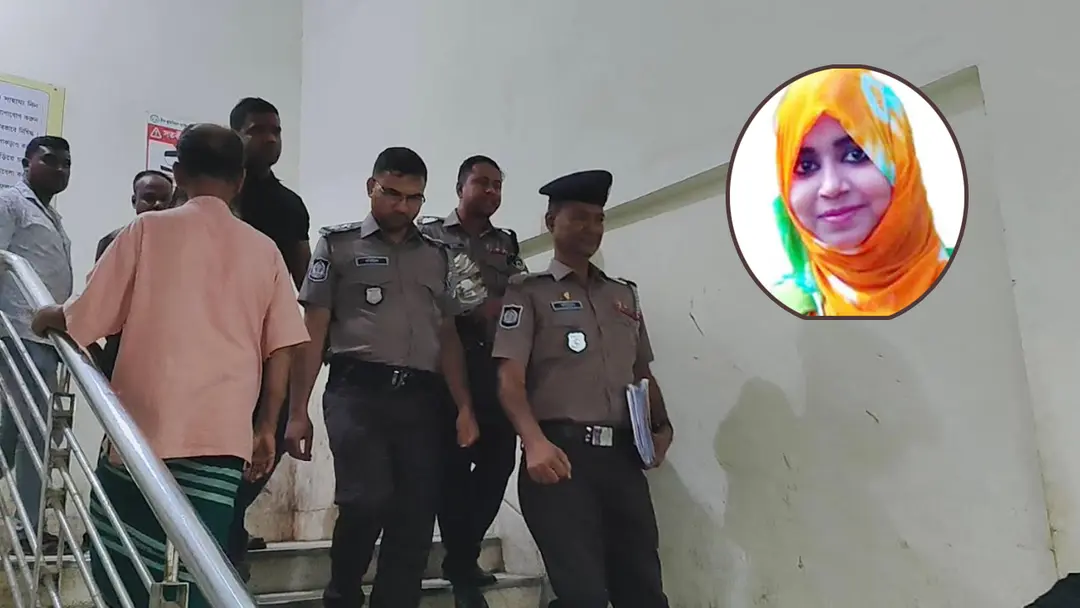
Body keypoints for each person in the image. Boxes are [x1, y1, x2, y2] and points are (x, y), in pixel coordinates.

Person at [30, 123, 309, 608]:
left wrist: (43, 316)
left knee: (124, 563)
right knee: (198, 563)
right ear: (241, 179)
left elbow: (84, 316)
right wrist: (266, 426)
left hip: (143, 432)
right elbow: (282, 345)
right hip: (222, 437)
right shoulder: (264, 250)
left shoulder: (146, 231)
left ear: (177, 174)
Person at [289, 146, 473, 608]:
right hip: (357, 393)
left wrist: (465, 406)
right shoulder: (338, 245)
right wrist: (296, 411)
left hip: (422, 399)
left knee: (415, 515)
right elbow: (313, 329)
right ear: (371, 187)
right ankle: (342, 594)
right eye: (392, 193)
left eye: (414, 198)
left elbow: (448, 335)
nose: (402, 206)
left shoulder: (438, 255)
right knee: (365, 499)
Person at [492, 169, 673, 607]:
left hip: (623, 461)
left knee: (644, 591)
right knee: (583, 595)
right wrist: (533, 442)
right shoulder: (528, 294)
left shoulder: (623, 297)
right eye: (578, 218)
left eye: (598, 219)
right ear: (550, 222)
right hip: (560, 459)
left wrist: (661, 428)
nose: (591, 228)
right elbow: (509, 380)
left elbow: (641, 372)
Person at [418, 155, 525, 607]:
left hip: (494, 363)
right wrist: (476, 308)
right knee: (453, 467)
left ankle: (462, 552)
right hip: (444, 362)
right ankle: (461, 566)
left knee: (499, 461)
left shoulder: (506, 242)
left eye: (498, 185)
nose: (492, 191)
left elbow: (519, 290)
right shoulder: (430, 235)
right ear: (460, 187)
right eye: (482, 182)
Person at [767, 67, 953, 317]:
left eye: (856, 155)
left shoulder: (981, 277)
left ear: (900, 162)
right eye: (806, 166)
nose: (831, 187)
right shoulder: (782, 312)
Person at [227, 96, 312, 572]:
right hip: (215, 342)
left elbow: (304, 280)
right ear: (236, 134)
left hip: (268, 345)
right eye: (258, 130)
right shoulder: (214, 196)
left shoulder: (287, 204)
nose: (270, 140)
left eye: (276, 131)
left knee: (268, 440)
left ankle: (229, 523)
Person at [0, 135, 73, 555]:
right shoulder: (10, 203)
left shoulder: (51, 215)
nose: (60, 169)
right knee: (29, 434)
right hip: (17, 334)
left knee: (19, 436)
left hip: (45, 341)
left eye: (66, 163)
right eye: (50, 160)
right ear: (26, 162)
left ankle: (28, 527)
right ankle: (28, 531)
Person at [89, 170, 175, 379]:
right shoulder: (112, 242)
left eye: (165, 199)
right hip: (121, 350)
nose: (158, 205)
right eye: (149, 198)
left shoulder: (183, 245)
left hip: (169, 352)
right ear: (134, 201)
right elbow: (99, 301)